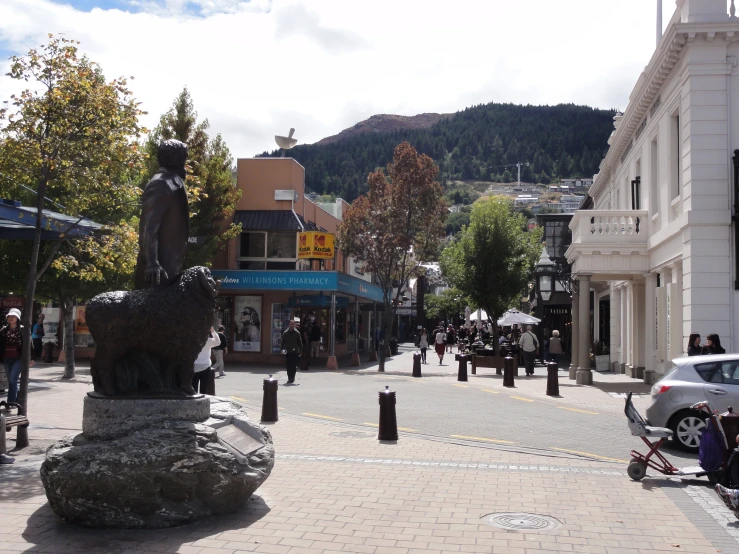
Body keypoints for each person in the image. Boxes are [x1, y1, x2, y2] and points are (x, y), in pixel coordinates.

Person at [134, 139, 189, 289]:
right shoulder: (161, 183)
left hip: (170, 264)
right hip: (158, 270)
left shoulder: (173, 182)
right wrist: (152, 263)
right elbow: (149, 226)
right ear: (179, 159)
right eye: (185, 158)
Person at [0, 308, 32, 405]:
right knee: (11, 381)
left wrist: (31, 358)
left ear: (18, 318)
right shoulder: (3, 330)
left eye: (13, 316)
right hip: (6, 357)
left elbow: (29, 344)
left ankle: (10, 402)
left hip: (18, 358)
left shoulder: (23, 330)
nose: (11, 318)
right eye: (9, 316)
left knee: (13, 380)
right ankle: (17, 399)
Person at [192, 327, 220, 394]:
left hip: (194, 365)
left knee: (193, 387)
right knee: (204, 388)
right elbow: (218, 342)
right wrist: (213, 331)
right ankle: (202, 402)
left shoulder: (192, 340)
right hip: (205, 365)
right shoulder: (208, 340)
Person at [281, 319, 302, 384]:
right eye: (290, 324)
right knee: (288, 366)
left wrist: (300, 351)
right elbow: (283, 342)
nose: (291, 325)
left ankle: (292, 377)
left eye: (293, 324)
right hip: (288, 352)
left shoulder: (297, 333)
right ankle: (289, 377)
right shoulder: (285, 333)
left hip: (295, 352)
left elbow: (300, 343)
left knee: (293, 366)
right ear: (289, 325)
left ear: (294, 325)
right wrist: (281, 349)